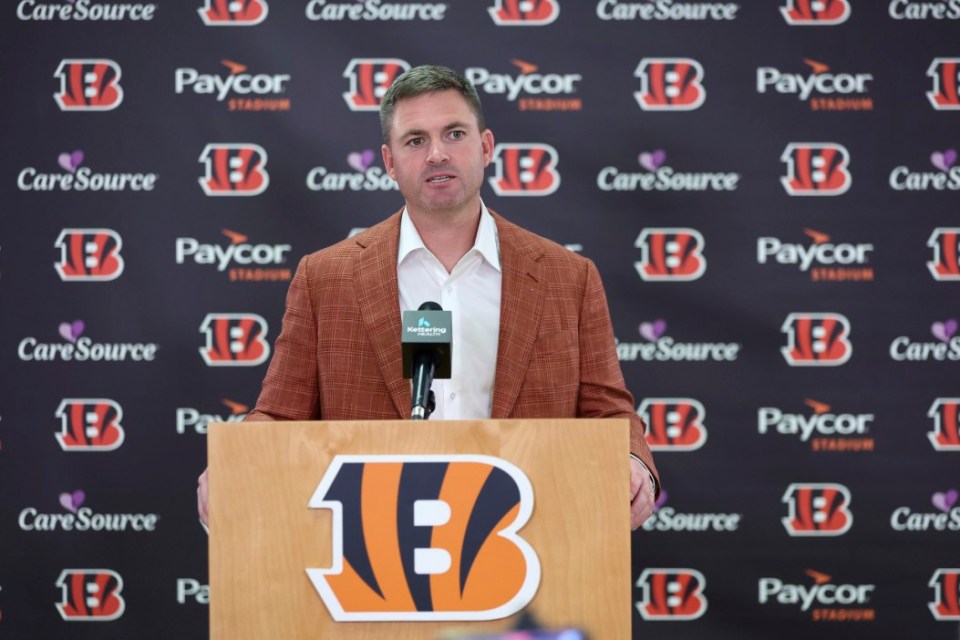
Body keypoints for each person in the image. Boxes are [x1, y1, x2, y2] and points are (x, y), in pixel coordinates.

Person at [197, 64, 659, 530]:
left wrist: (633, 460)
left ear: (486, 147)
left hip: (530, 540)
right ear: (390, 162)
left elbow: (609, 411)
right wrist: (237, 460)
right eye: (415, 140)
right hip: (374, 547)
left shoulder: (568, 277)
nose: (437, 153)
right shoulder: (325, 278)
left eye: (454, 134)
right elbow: (280, 414)